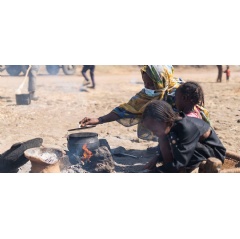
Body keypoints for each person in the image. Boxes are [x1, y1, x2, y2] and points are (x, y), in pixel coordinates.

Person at [80, 65, 210, 141]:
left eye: (151, 83)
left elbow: (191, 121)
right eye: (145, 83)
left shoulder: (179, 94)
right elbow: (127, 109)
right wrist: (99, 119)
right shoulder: (147, 94)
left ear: (161, 80)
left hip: (192, 134)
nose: (147, 86)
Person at [142, 100, 226, 173]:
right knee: (164, 140)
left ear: (166, 122)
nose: (153, 133)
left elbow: (180, 163)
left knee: (169, 143)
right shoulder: (170, 124)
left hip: (213, 152)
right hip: (192, 148)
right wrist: (157, 158)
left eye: (155, 130)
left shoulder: (187, 128)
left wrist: (157, 171)